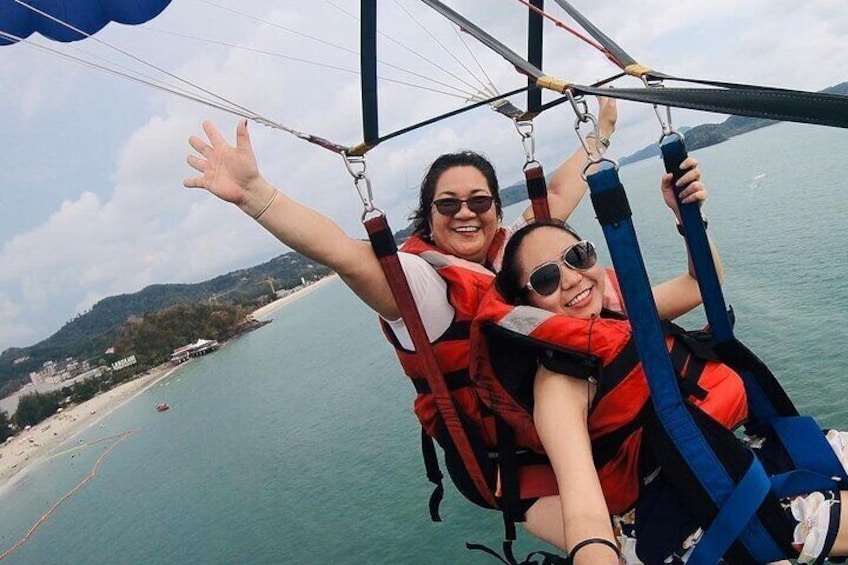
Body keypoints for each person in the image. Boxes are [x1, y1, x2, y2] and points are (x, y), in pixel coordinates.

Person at [183, 99, 617, 548]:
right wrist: (257, 195)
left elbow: (559, 196)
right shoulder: (422, 286)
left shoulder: (513, 254)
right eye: (447, 205)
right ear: (428, 216)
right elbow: (344, 254)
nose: (465, 212)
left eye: (479, 201)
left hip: (563, 427)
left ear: (496, 209)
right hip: (507, 464)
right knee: (610, 547)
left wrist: (600, 132)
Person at [481, 158, 848, 564]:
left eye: (578, 256)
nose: (571, 278)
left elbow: (701, 282)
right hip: (684, 513)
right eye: (546, 279)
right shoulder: (559, 382)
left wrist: (688, 216)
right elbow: (583, 507)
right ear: (527, 307)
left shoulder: (618, 316)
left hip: (727, 460)